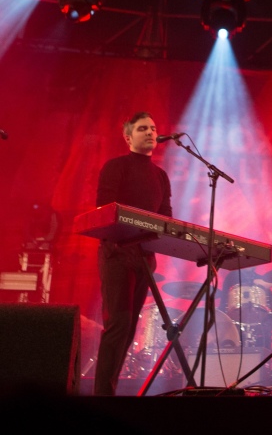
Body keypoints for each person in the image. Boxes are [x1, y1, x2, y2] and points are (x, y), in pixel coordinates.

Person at [93, 111, 172, 396]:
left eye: (153, 127)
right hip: (117, 253)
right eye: (142, 128)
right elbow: (104, 209)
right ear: (128, 137)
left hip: (145, 258)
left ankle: (109, 391)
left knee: (129, 329)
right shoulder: (116, 166)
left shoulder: (161, 176)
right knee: (119, 322)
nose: (150, 132)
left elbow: (166, 219)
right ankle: (102, 395)